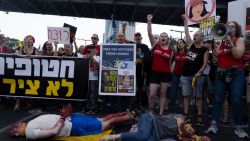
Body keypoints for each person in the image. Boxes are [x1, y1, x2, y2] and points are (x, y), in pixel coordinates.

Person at [206, 21, 249, 138]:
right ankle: (214, 124)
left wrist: (230, 42)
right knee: (218, 98)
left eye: (232, 26)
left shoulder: (239, 40)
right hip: (221, 72)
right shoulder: (222, 40)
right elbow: (217, 57)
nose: (230, 28)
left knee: (235, 100)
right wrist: (214, 48)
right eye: (228, 26)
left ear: (237, 29)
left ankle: (238, 127)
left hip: (236, 73)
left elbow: (238, 55)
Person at [8, 103, 135, 140]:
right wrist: (63, 117)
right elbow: (54, 132)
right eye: (16, 127)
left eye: (17, 124)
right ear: (16, 133)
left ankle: (128, 115)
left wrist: (63, 116)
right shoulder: (30, 133)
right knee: (104, 122)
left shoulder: (29, 127)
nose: (18, 124)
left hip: (71, 121)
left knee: (103, 121)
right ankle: (128, 115)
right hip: (72, 124)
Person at [99, 112, 210, 141]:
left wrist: (196, 138)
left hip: (155, 134)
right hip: (150, 119)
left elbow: (181, 137)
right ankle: (112, 137)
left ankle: (118, 138)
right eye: (191, 128)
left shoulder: (179, 135)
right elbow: (181, 128)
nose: (190, 130)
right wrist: (194, 137)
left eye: (191, 131)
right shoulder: (181, 118)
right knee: (142, 136)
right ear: (189, 124)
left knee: (145, 139)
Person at [181, 15, 208, 125]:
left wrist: (199, 72)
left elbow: (205, 63)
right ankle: (186, 115)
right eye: (194, 35)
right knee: (186, 95)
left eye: (197, 35)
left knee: (198, 96)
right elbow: (187, 33)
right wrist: (185, 22)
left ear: (201, 38)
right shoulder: (191, 45)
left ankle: (200, 117)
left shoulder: (204, 49)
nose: (194, 36)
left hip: (198, 76)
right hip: (186, 75)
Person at [147, 14, 173, 116]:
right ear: (159, 38)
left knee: (163, 94)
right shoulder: (155, 45)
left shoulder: (171, 50)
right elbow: (149, 33)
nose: (163, 37)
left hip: (165, 74)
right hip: (154, 72)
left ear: (167, 39)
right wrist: (149, 21)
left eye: (165, 36)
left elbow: (170, 63)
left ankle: (161, 113)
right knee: (152, 94)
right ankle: (151, 110)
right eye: (161, 36)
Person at [82, 34, 100, 114]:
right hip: (86, 72)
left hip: (95, 73)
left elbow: (100, 62)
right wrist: (86, 56)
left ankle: (94, 108)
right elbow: (83, 56)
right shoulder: (87, 47)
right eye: (92, 38)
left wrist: (91, 57)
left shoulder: (100, 47)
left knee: (93, 91)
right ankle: (87, 107)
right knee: (87, 91)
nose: (93, 39)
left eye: (95, 38)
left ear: (98, 39)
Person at [168, 39, 188, 113]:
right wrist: (172, 56)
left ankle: (183, 108)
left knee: (184, 92)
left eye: (181, 42)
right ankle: (171, 107)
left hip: (185, 75)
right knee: (173, 91)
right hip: (175, 74)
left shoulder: (188, 53)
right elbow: (170, 62)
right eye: (178, 43)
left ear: (184, 44)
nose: (179, 44)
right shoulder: (176, 53)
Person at [134, 32, 149, 110]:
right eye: (136, 36)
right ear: (134, 38)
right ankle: (131, 104)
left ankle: (140, 104)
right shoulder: (132, 45)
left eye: (139, 36)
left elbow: (147, 59)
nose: (138, 38)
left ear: (141, 38)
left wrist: (146, 71)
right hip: (132, 71)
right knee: (132, 87)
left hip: (141, 71)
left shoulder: (145, 46)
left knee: (140, 88)